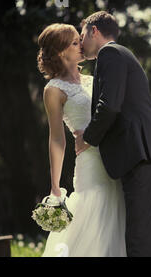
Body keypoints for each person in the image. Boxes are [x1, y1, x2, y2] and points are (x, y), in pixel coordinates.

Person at [75, 11, 151, 257]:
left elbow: (109, 105)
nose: (80, 43)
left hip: (143, 153)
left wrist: (87, 137)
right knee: (144, 236)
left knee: (140, 239)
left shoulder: (110, 53)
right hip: (146, 153)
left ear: (93, 31)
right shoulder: (120, 55)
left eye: (82, 36)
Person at [37, 23, 126, 256]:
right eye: (75, 42)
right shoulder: (53, 90)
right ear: (59, 51)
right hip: (89, 163)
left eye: (80, 40)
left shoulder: (94, 79)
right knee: (92, 217)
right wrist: (55, 185)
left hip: (113, 157)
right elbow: (57, 139)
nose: (82, 45)